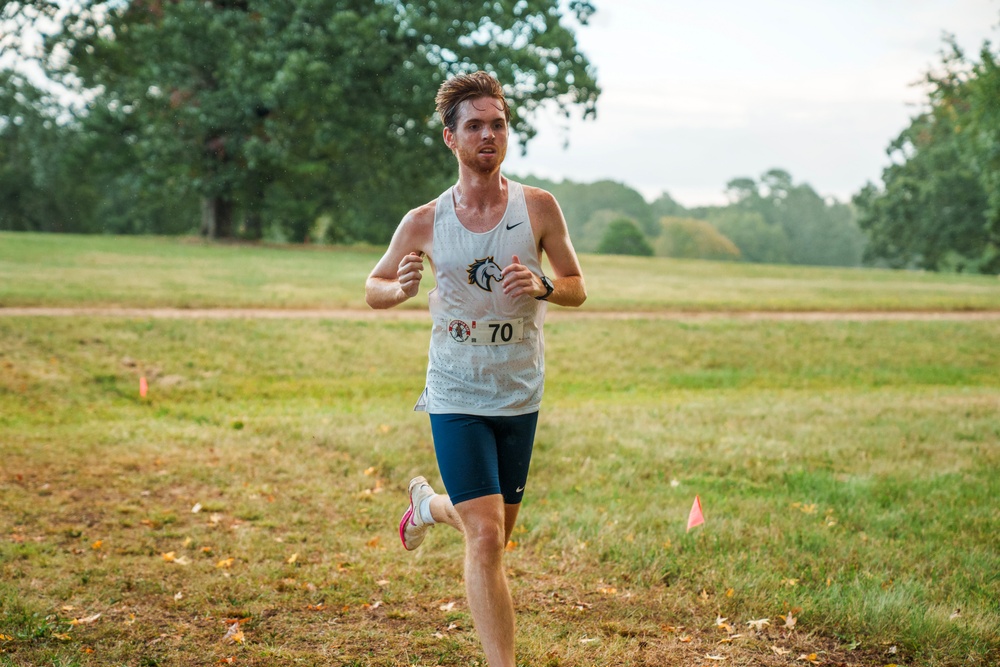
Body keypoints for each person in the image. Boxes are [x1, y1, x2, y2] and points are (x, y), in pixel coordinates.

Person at [365, 70, 586, 667]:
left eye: (498, 124)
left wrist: (543, 285)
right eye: (475, 126)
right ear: (451, 139)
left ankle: (428, 507)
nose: (489, 134)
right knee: (485, 538)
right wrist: (399, 289)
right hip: (457, 392)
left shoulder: (537, 207)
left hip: (518, 393)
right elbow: (373, 284)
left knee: (493, 535)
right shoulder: (424, 220)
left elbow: (576, 286)